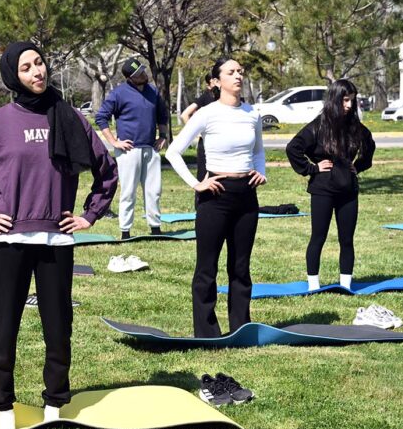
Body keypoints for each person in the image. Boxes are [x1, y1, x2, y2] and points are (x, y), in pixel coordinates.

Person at [0, 41, 117, 429]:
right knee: (5, 327)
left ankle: (55, 404)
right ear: (11, 76)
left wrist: (89, 215)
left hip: (56, 241)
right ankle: (3, 406)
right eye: (26, 68)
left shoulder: (68, 117)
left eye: (39, 63)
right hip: (8, 242)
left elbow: (106, 169)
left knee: (58, 328)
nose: (37, 72)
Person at [165, 57, 266, 338]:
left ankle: (241, 327)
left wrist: (261, 171)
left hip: (246, 195)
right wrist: (197, 184)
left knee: (241, 266)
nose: (238, 76)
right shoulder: (207, 114)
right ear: (217, 81)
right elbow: (174, 152)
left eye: (240, 72)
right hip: (215, 195)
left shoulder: (252, 114)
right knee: (207, 267)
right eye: (231, 72)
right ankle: (207, 331)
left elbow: (258, 151)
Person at [286, 79, 375, 291]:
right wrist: (312, 169)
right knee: (319, 236)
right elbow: (293, 148)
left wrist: (359, 166)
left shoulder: (355, 127)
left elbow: (369, 147)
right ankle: (313, 285)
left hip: (348, 191)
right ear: (335, 99)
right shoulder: (318, 126)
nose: (349, 105)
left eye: (352, 101)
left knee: (347, 239)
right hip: (323, 190)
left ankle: (346, 285)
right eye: (345, 100)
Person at [94, 57, 168, 239]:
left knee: (154, 190)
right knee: (128, 191)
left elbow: (162, 115)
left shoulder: (152, 91)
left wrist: (164, 136)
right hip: (129, 150)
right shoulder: (119, 93)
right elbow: (101, 117)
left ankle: (155, 227)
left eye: (143, 70)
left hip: (150, 148)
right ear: (131, 78)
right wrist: (114, 141)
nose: (144, 74)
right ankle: (125, 231)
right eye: (139, 73)